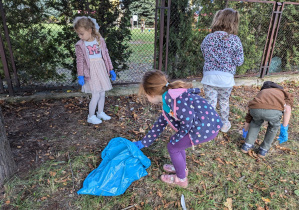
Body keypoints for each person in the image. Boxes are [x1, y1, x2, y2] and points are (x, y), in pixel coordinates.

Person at [134, 70, 223, 188]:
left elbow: (188, 118)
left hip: (205, 128)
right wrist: (143, 143)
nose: (146, 97)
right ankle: (181, 168)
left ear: (151, 93)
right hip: (204, 124)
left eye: (145, 94)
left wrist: (178, 136)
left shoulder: (174, 100)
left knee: (173, 146)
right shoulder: (169, 98)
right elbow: (160, 124)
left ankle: (181, 179)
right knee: (177, 144)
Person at [200, 8, 244, 133]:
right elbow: (239, 61)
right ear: (233, 22)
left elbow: (204, 53)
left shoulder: (208, 38)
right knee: (224, 101)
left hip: (209, 76)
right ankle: (224, 124)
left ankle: (209, 124)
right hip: (226, 79)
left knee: (210, 102)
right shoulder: (235, 40)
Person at [73, 16, 117, 124]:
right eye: (78, 34)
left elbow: (106, 55)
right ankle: (91, 116)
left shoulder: (99, 40)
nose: (80, 36)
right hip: (91, 71)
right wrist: (81, 75)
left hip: (101, 69)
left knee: (102, 92)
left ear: (90, 30)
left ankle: (100, 112)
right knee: (96, 94)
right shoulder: (80, 45)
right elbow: (80, 61)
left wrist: (111, 69)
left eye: (81, 33)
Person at [241, 81, 293, 158]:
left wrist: (245, 130)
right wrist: (284, 128)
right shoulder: (284, 94)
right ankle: (263, 150)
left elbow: (249, 115)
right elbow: (287, 110)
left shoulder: (262, 92)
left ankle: (247, 145)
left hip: (256, 109)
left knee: (255, 123)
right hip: (274, 112)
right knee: (273, 127)